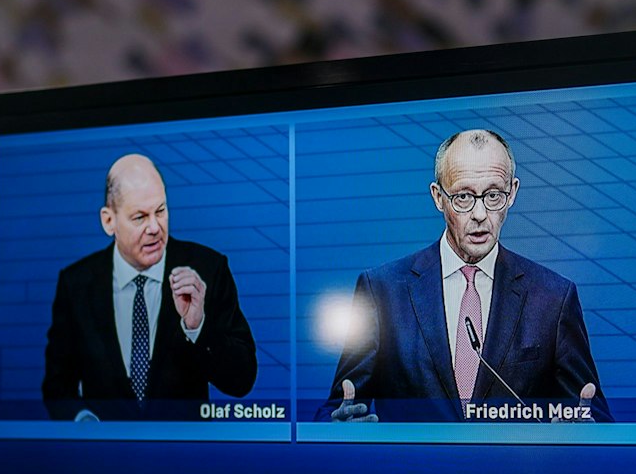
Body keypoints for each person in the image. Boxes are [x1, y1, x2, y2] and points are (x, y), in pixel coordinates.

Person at [322, 129, 606, 421]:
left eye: (494, 195)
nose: (480, 213)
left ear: (513, 193)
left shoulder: (553, 299)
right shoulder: (382, 291)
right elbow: (336, 410)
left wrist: (582, 428)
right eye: (463, 197)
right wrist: (340, 427)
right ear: (438, 197)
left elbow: (596, 416)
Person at [41, 153, 257, 420]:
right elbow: (56, 384)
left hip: (185, 457)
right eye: (140, 217)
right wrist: (80, 419)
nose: (155, 227)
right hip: (103, 456)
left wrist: (197, 327)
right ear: (109, 221)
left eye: (161, 211)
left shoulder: (208, 270)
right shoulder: (76, 284)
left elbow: (242, 380)